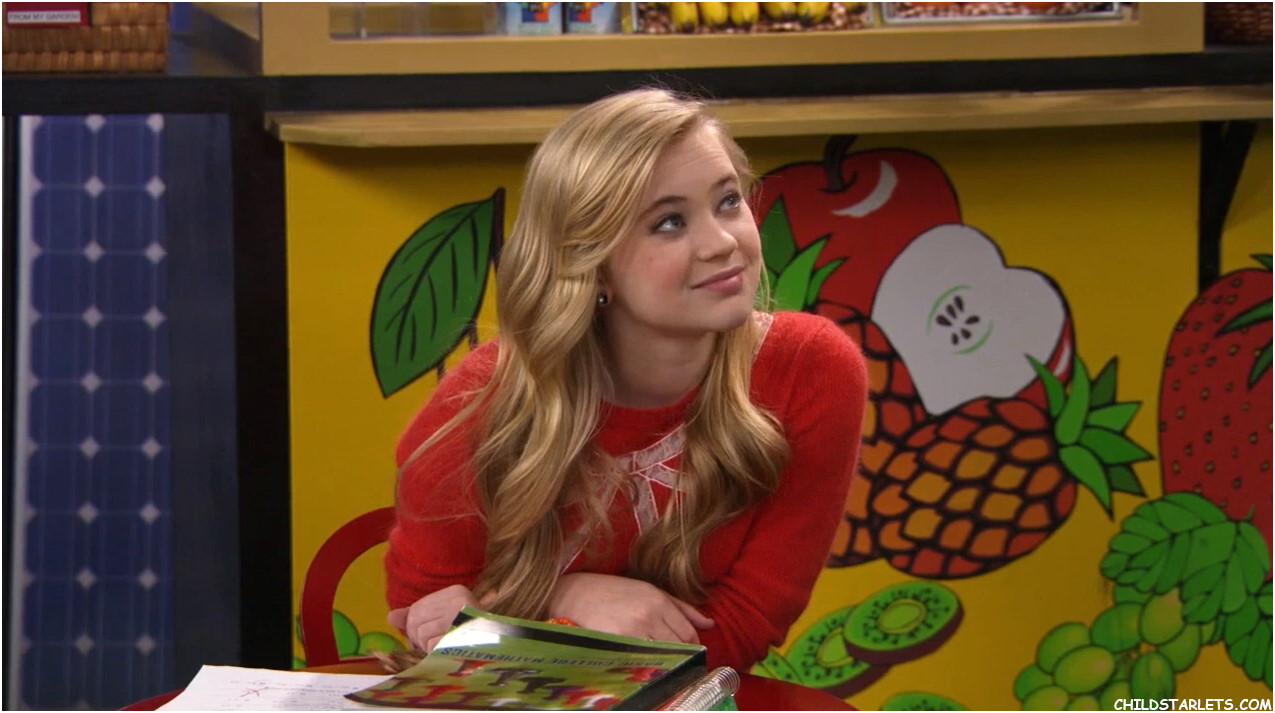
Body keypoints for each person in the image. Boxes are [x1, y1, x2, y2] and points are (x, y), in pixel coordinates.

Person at [384, 87, 868, 672]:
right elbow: (427, 624)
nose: (723, 243)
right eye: (669, 222)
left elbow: (740, 631)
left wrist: (518, 613)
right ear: (592, 263)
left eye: (728, 201)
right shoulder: (487, 397)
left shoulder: (812, 370)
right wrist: (562, 597)